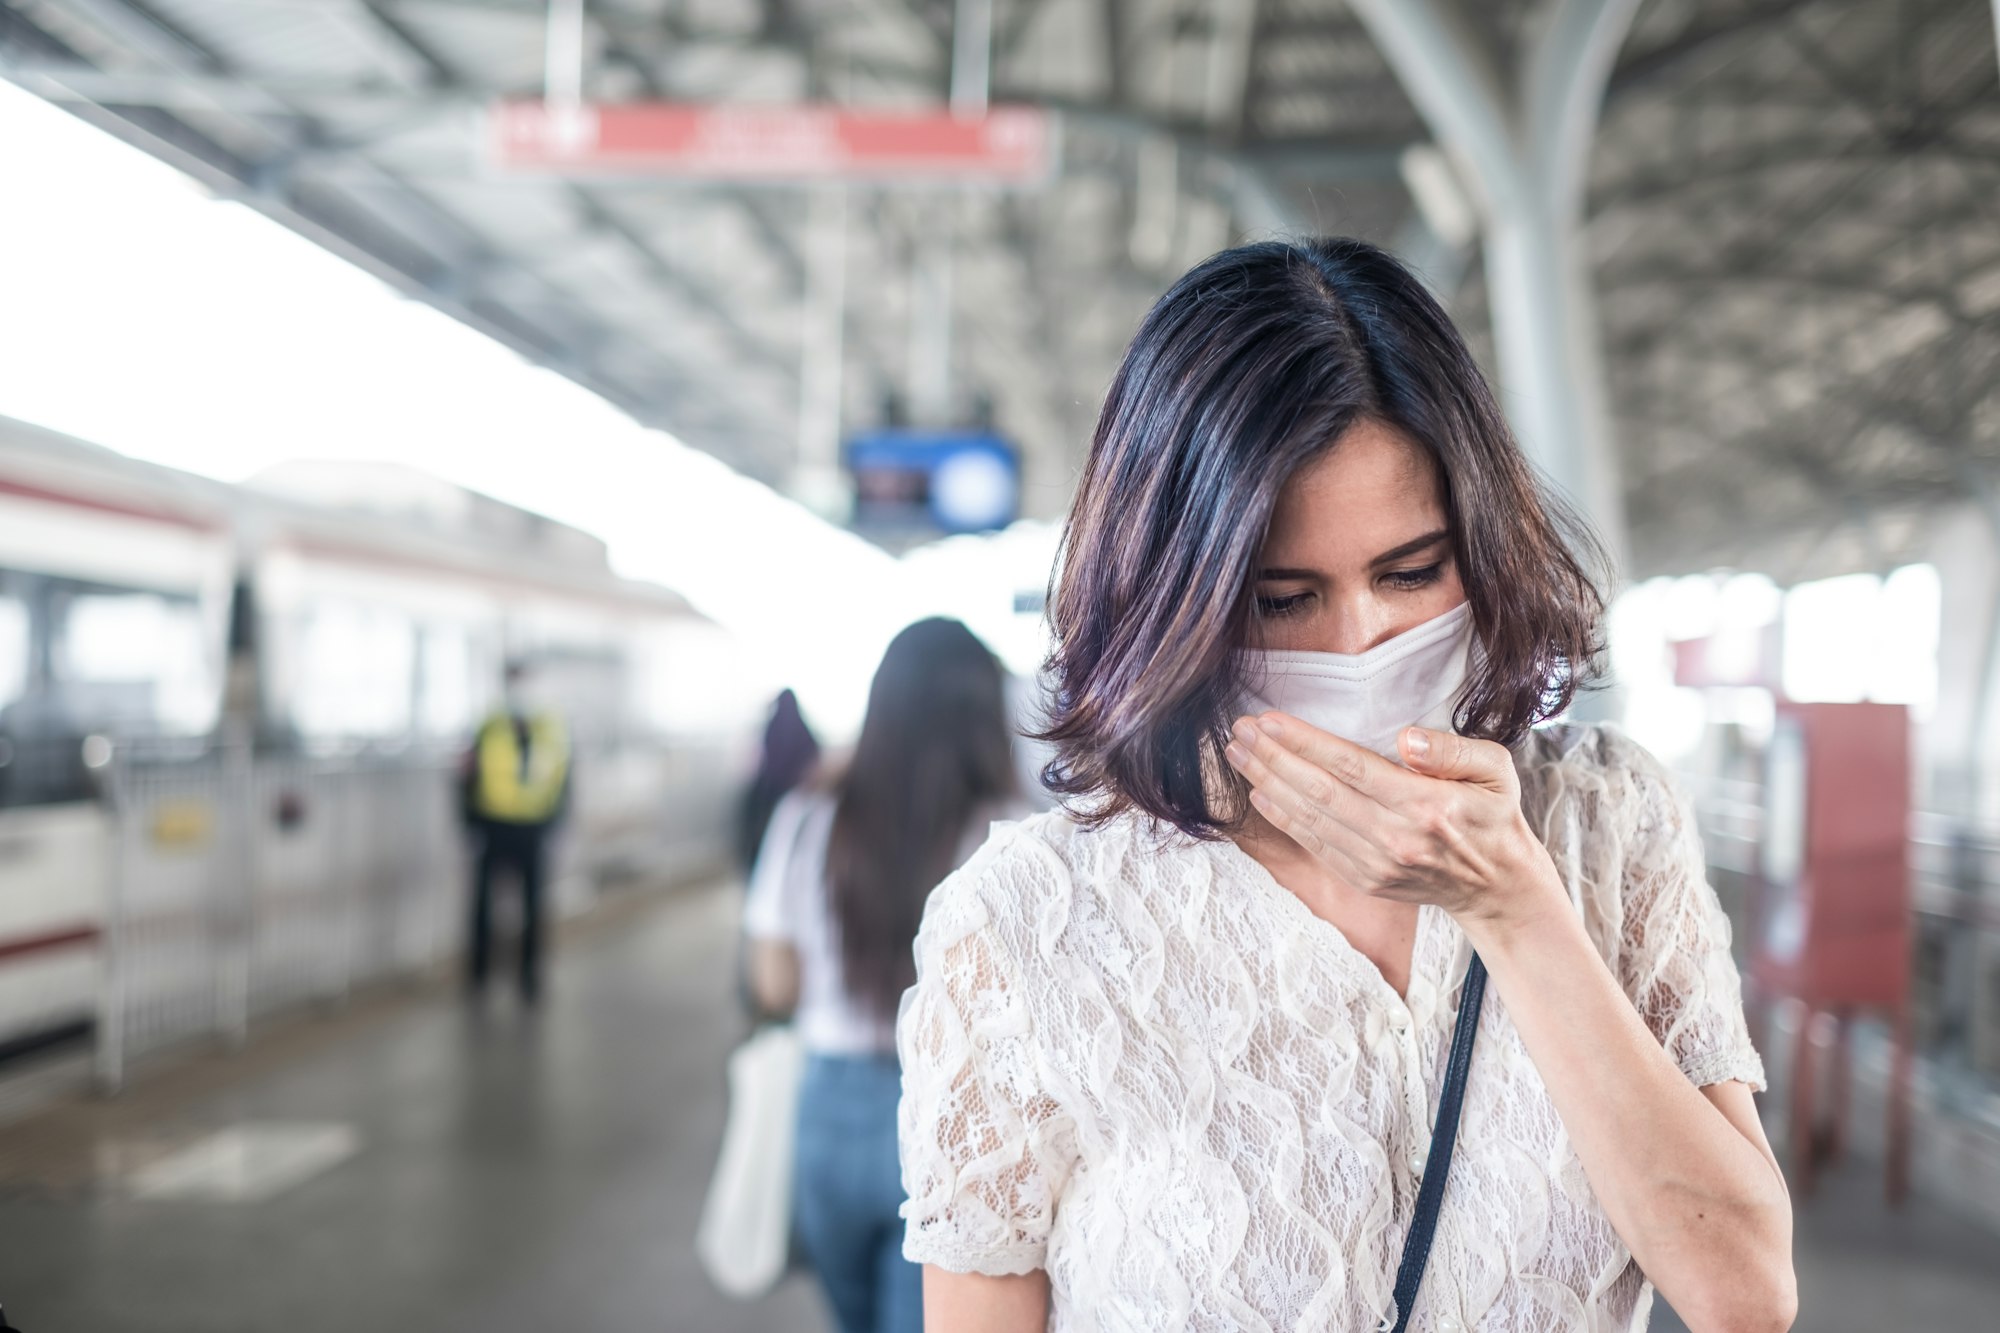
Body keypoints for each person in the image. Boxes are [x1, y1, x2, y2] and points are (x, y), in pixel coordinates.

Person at [897, 238, 1797, 1332]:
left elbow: (1743, 1293)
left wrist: (1513, 908)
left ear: (1481, 550)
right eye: (1283, 600)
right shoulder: (1029, 923)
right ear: (1174, 605)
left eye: (1410, 572)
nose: (1362, 640)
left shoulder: (1608, 824)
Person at [744, 619, 1022, 1333]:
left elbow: (773, 983)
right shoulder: (1014, 838)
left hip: (829, 1110)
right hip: (959, 1122)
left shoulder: (807, 818)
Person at [460, 660, 570, 1006]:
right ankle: (478, 977)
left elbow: (564, 778)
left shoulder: (550, 726)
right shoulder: (487, 725)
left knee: (533, 905)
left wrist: (556, 821)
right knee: (483, 905)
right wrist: (469, 822)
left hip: (533, 827)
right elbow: (466, 776)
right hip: (493, 825)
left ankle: (529, 977)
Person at [737, 688, 821, 876]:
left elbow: (758, 763)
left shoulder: (769, 730)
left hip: (770, 799)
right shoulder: (805, 731)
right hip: (793, 798)